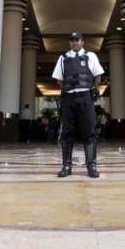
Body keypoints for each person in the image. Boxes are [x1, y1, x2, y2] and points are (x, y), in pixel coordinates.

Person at [52, 32, 105, 178]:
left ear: (82, 42)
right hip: (69, 98)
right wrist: (67, 89)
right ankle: (66, 166)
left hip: (85, 97)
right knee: (66, 132)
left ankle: (91, 167)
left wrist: (93, 89)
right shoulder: (63, 58)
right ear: (70, 43)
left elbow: (98, 75)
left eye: (77, 40)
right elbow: (58, 79)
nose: (75, 43)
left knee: (89, 131)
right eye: (72, 40)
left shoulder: (91, 56)